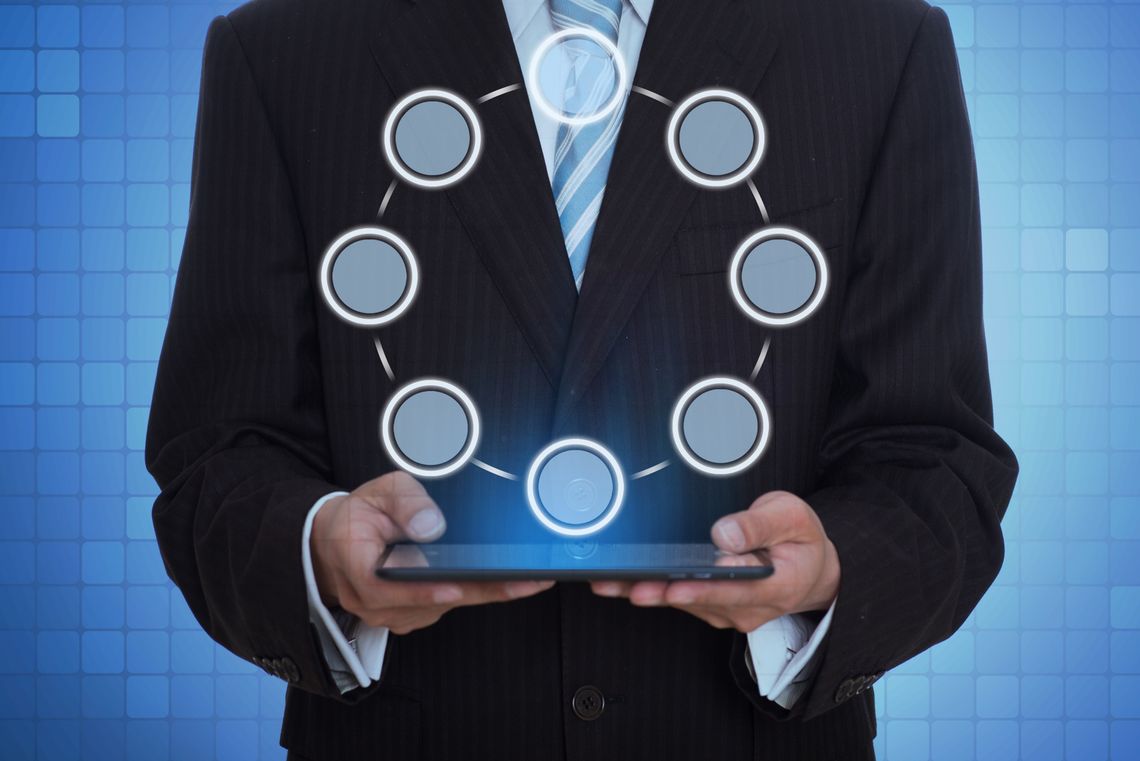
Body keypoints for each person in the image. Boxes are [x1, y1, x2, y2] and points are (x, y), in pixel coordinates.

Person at [146, 0, 1019, 758]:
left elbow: (936, 460)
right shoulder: (282, 54)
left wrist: (829, 570)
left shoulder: (880, 47)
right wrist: (318, 552)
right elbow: (217, 455)